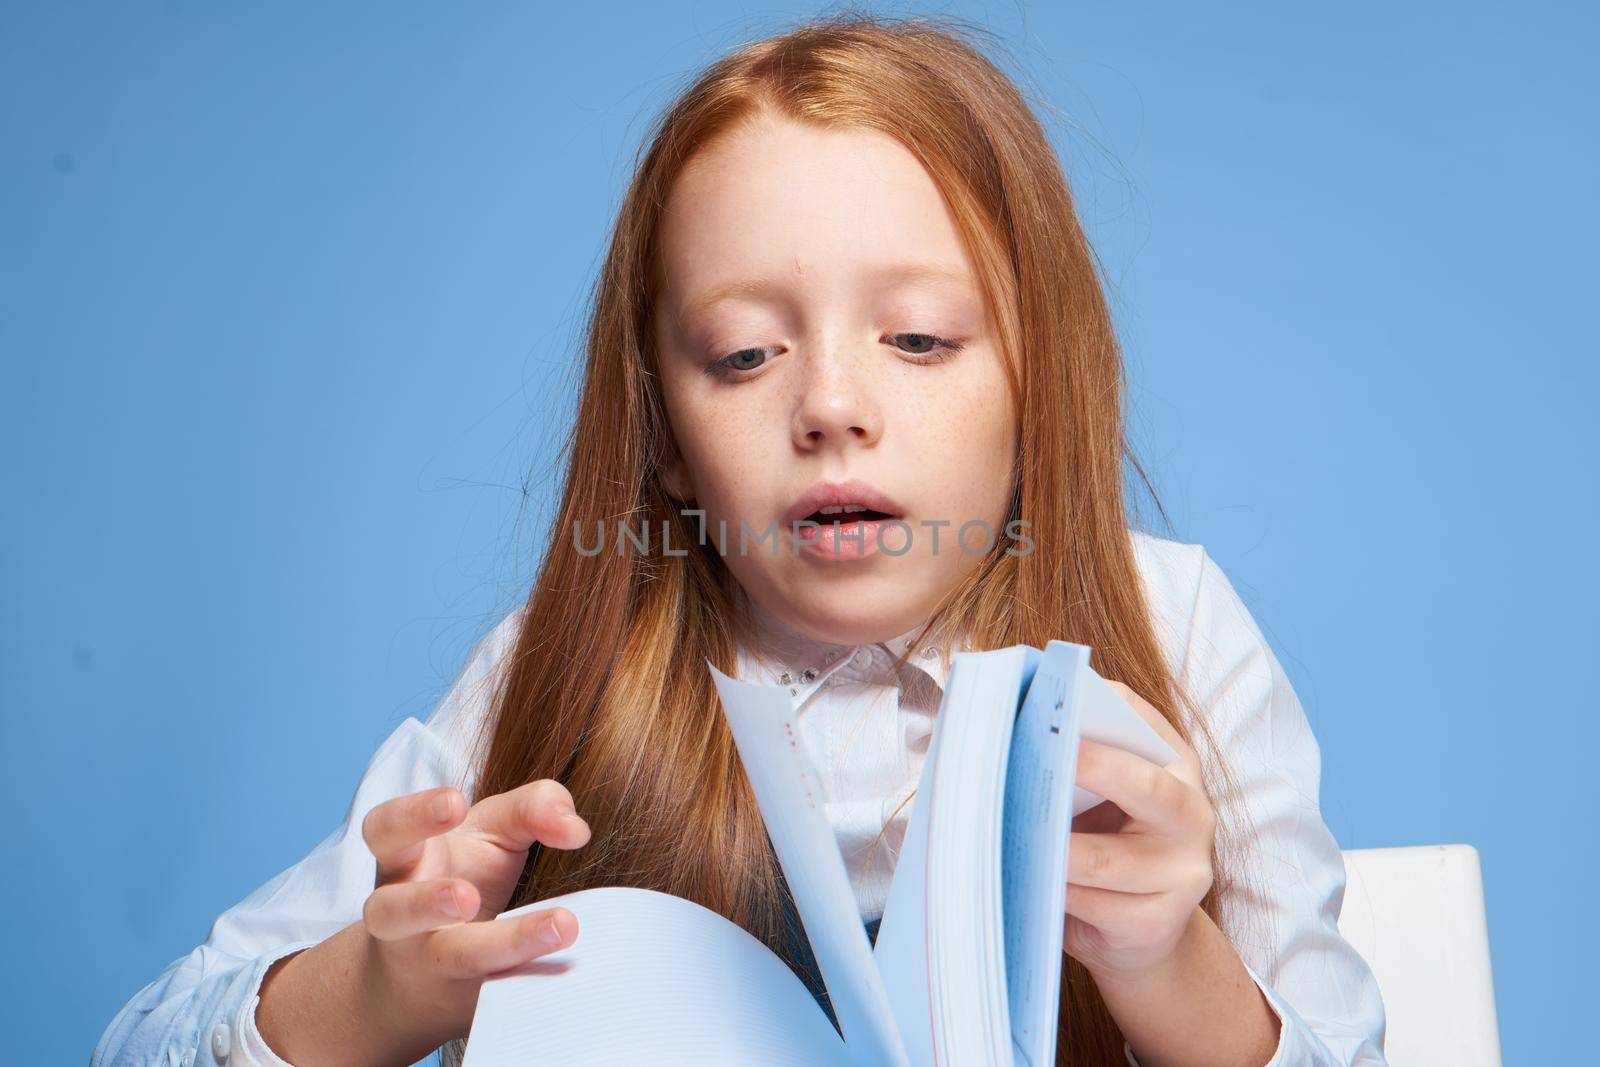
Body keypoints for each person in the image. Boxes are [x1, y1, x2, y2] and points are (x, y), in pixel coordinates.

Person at [92, 13, 1387, 1067]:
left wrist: (1176, 973)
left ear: (1036, 383)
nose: (829, 406)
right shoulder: (560, 670)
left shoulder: (1178, 632)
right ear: (662, 435)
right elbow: (136, 1045)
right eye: (744, 355)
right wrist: (373, 992)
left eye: (920, 338)